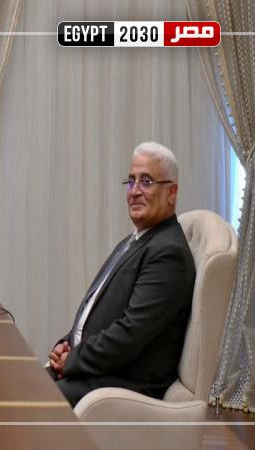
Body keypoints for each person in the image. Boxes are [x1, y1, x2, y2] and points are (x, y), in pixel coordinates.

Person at [47, 141, 195, 407]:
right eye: (131, 181)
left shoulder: (168, 253)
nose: (134, 191)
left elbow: (130, 335)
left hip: (124, 385)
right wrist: (66, 344)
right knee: (16, 385)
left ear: (171, 193)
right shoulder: (135, 241)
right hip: (97, 372)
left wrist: (73, 360)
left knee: (29, 401)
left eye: (146, 181)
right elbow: (95, 311)